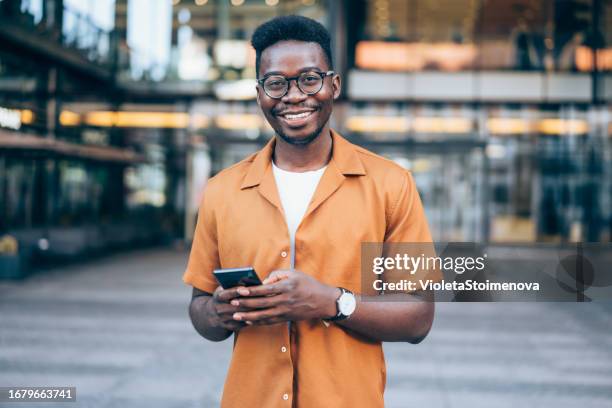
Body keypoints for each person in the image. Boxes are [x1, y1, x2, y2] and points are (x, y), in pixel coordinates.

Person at [184, 15, 438, 408]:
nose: (293, 96)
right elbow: (200, 309)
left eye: (308, 79)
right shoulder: (222, 191)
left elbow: (418, 317)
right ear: (259, 93)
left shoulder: (391, 184)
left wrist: (332, 302)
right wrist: (219, 312)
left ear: (333, 85)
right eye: (276, 83)